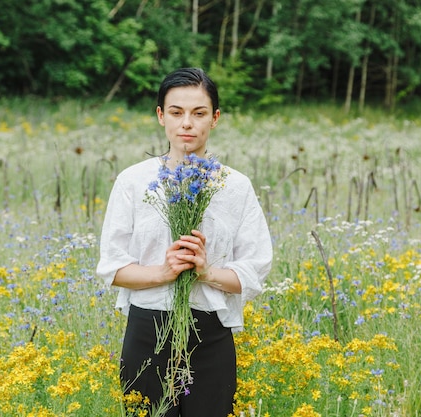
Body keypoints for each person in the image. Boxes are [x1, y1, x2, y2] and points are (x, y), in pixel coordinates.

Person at [96, 67, 273, 417]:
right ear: (161, 116)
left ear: (215, 118)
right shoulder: (133, 181)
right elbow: (112, 267)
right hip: (148, 330)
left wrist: (206, 272)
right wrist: (163, 272)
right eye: (176, 112)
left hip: (211, 336)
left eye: (199, 113)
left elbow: (253, 273)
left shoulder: (236, 186)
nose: (187, 123)